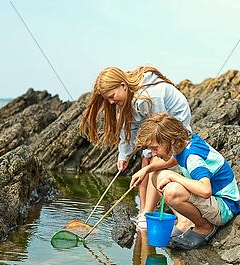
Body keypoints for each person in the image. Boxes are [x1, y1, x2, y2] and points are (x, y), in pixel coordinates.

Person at [80, 66, 192, 228]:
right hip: (159, 126)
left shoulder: (149, 96)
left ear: (123, 86)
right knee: (145, 158)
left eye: (112, 96)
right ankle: (143, 211)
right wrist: (123, 156)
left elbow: (160, 126)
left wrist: (152, 151)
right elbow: (130, 129)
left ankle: (148, 213)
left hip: (176, 126)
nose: (111, 102)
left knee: (153, 160)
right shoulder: (130, 100)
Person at [130, 113, 240, 250]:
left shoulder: (192, 157)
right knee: (156, 175)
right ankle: (186, 221)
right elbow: (175, 159)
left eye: (155, 148)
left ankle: (204, 227)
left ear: (170, 141)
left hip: (224, 207)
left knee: (172, 191)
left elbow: (205, 191)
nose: (153, 153)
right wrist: (147, 169)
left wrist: (174, 177)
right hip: (215, 202)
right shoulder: (184, 143)